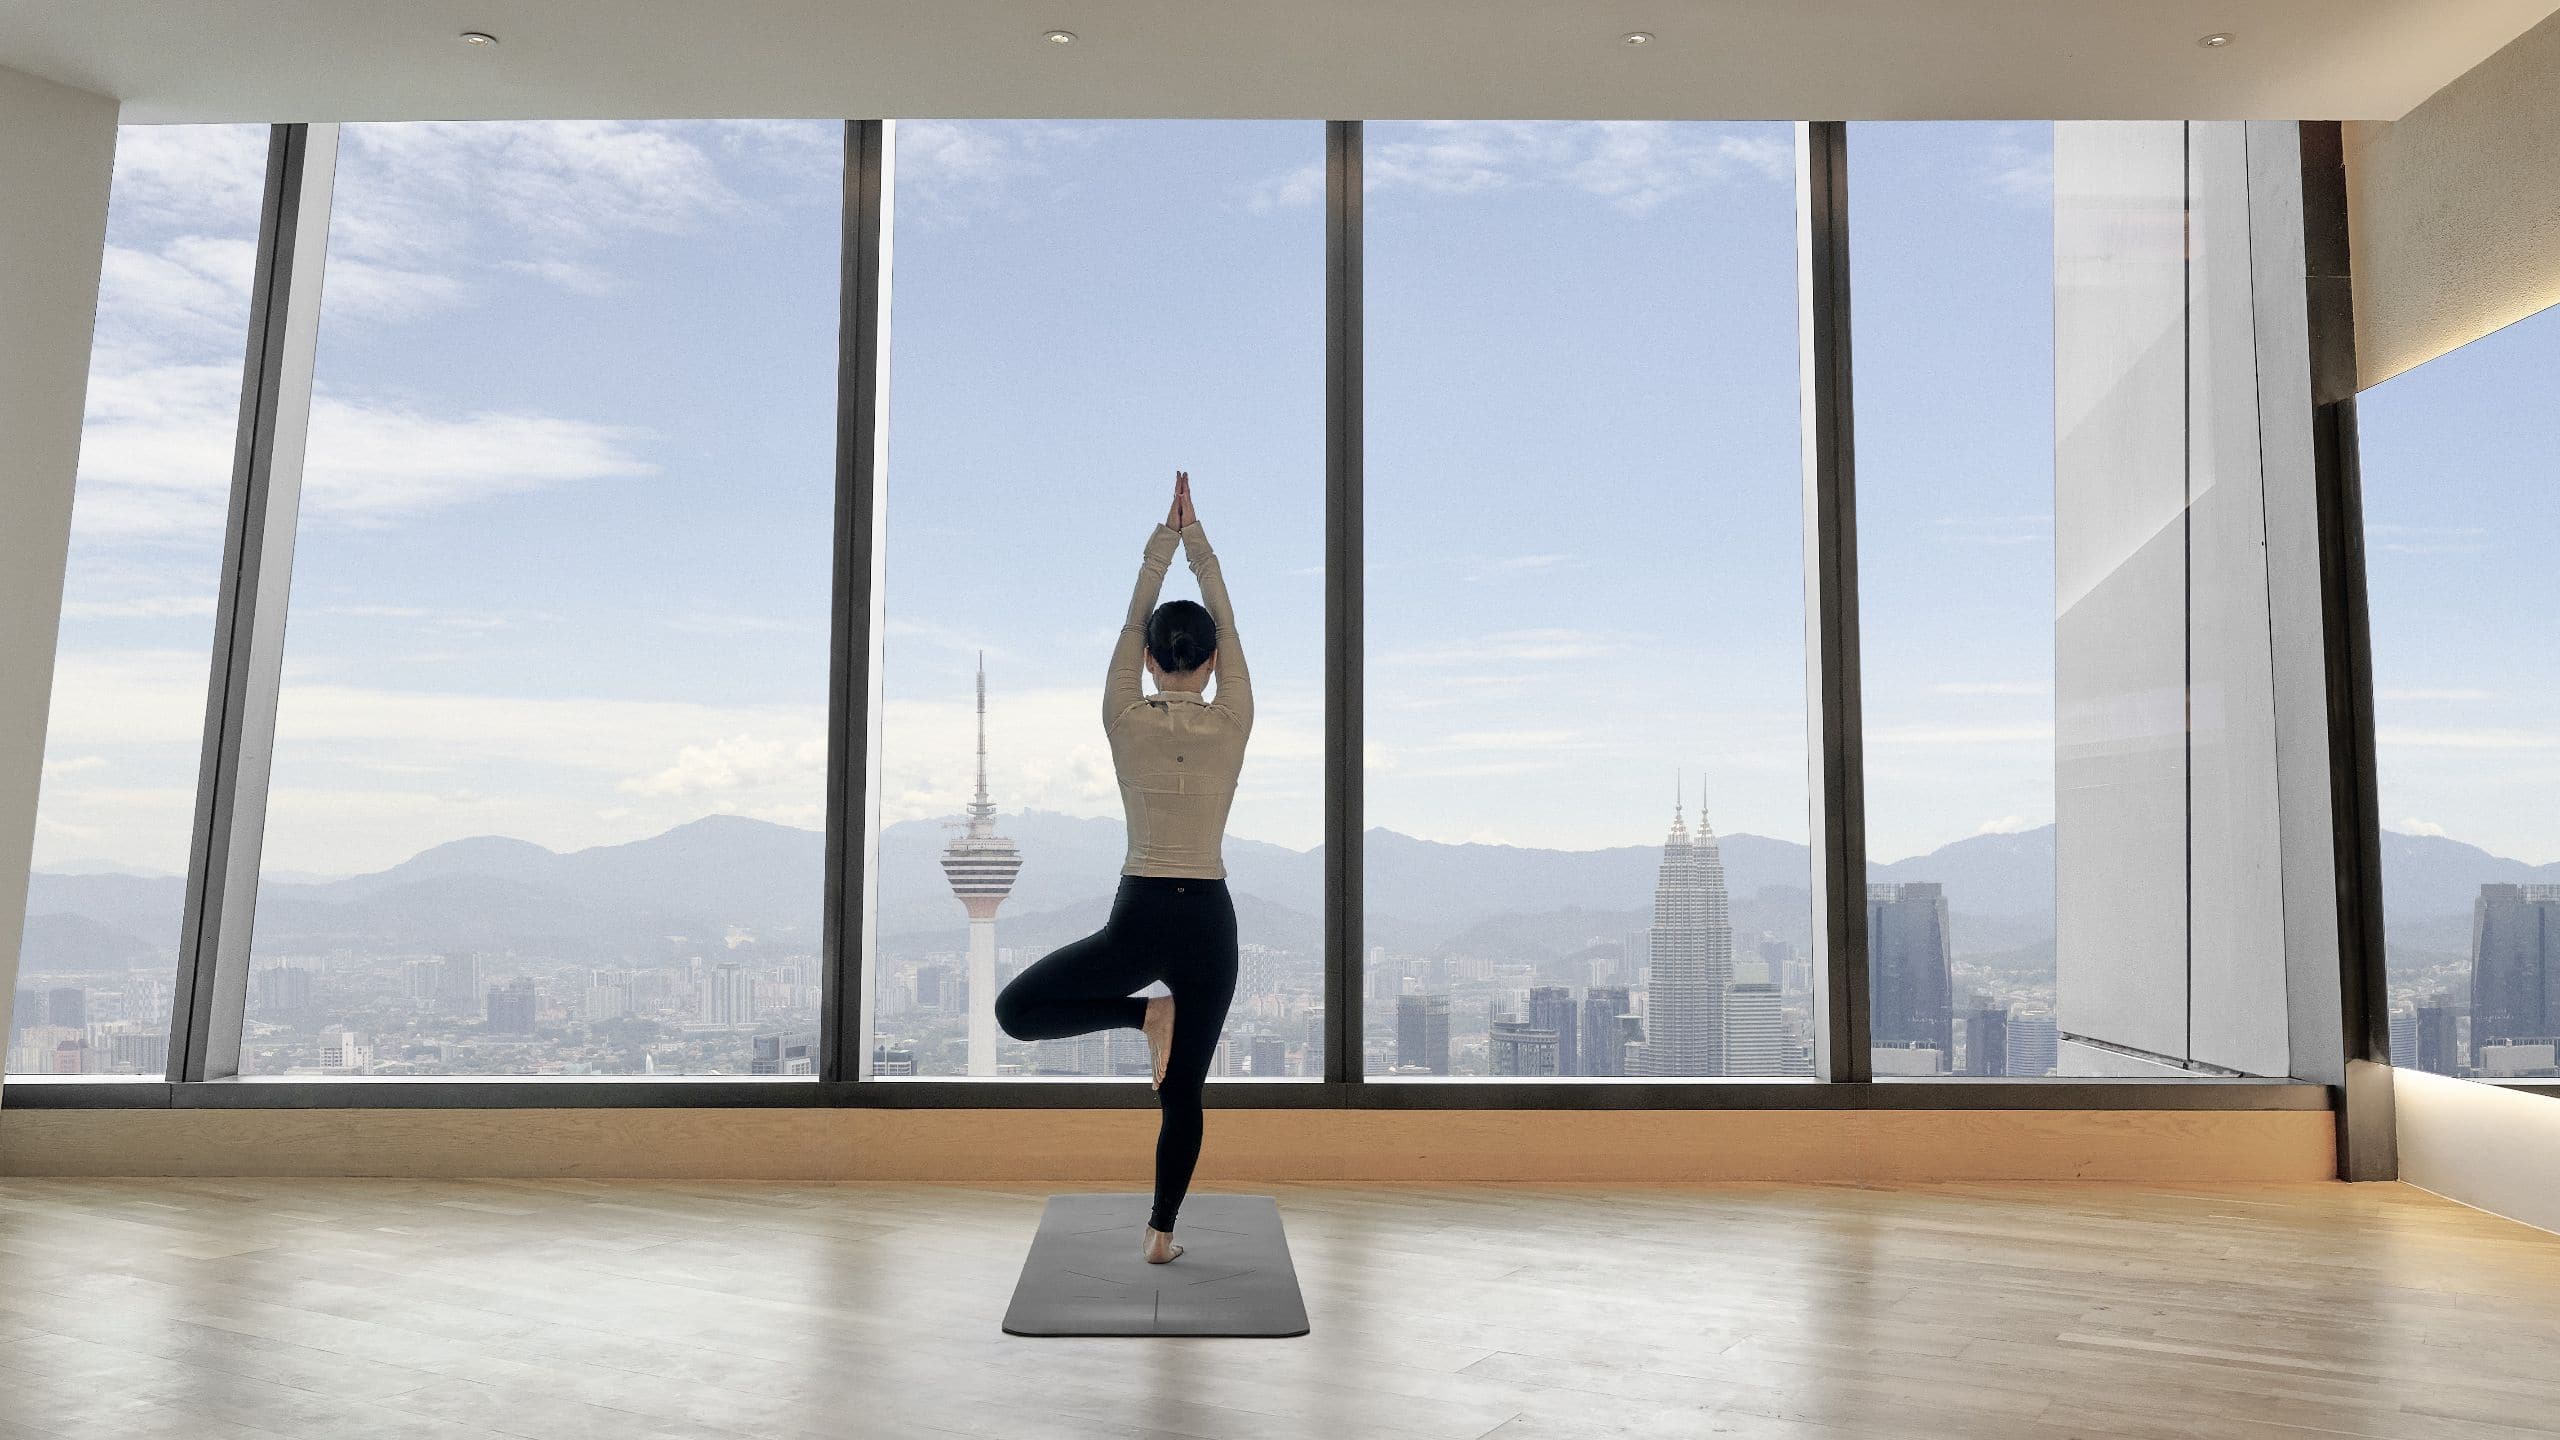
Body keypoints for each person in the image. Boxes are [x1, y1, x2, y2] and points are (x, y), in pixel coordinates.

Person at [994, 471, 1251, 1265]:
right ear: (1211, 664)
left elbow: (1132, 617)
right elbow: (1228, 619)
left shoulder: (1121, 715)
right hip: (1208, 921)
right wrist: (1195, 542)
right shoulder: (1235, 715)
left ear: (1146, 661)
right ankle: (1160, 1233)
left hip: (1139, 916)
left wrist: (1161, 544)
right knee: (1184, 1095)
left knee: (1017, 1012)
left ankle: (1144, 1016)